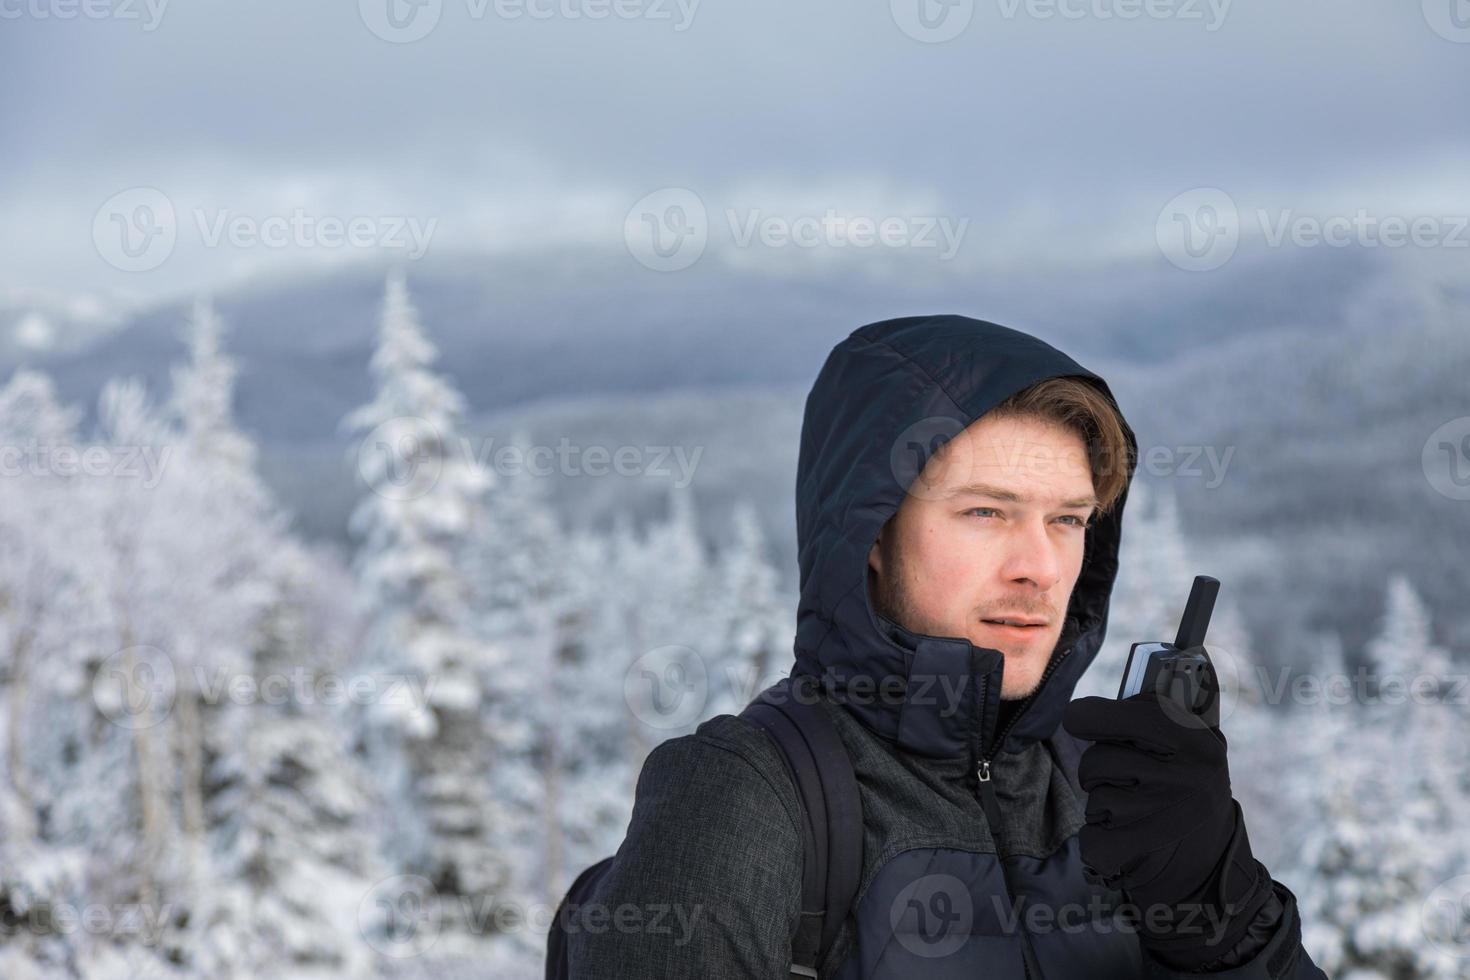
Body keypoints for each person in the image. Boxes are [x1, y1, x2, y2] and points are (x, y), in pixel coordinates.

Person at [566, 315, 1327, 978]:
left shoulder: (1116, 790)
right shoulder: (745, 799)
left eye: (1067, 520)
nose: (1040, 567)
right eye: (987, 512)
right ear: (872, 536)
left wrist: (1219, 913)